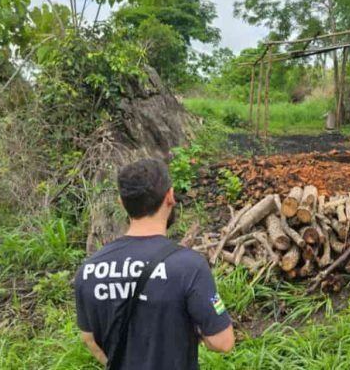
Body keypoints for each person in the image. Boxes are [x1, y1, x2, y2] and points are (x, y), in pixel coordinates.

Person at [74, 158, 234, 369]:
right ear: (170, 196)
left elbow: (88, 338)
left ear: (121, 203)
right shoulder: (188, 266)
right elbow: (222, 341)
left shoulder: (89, 269)